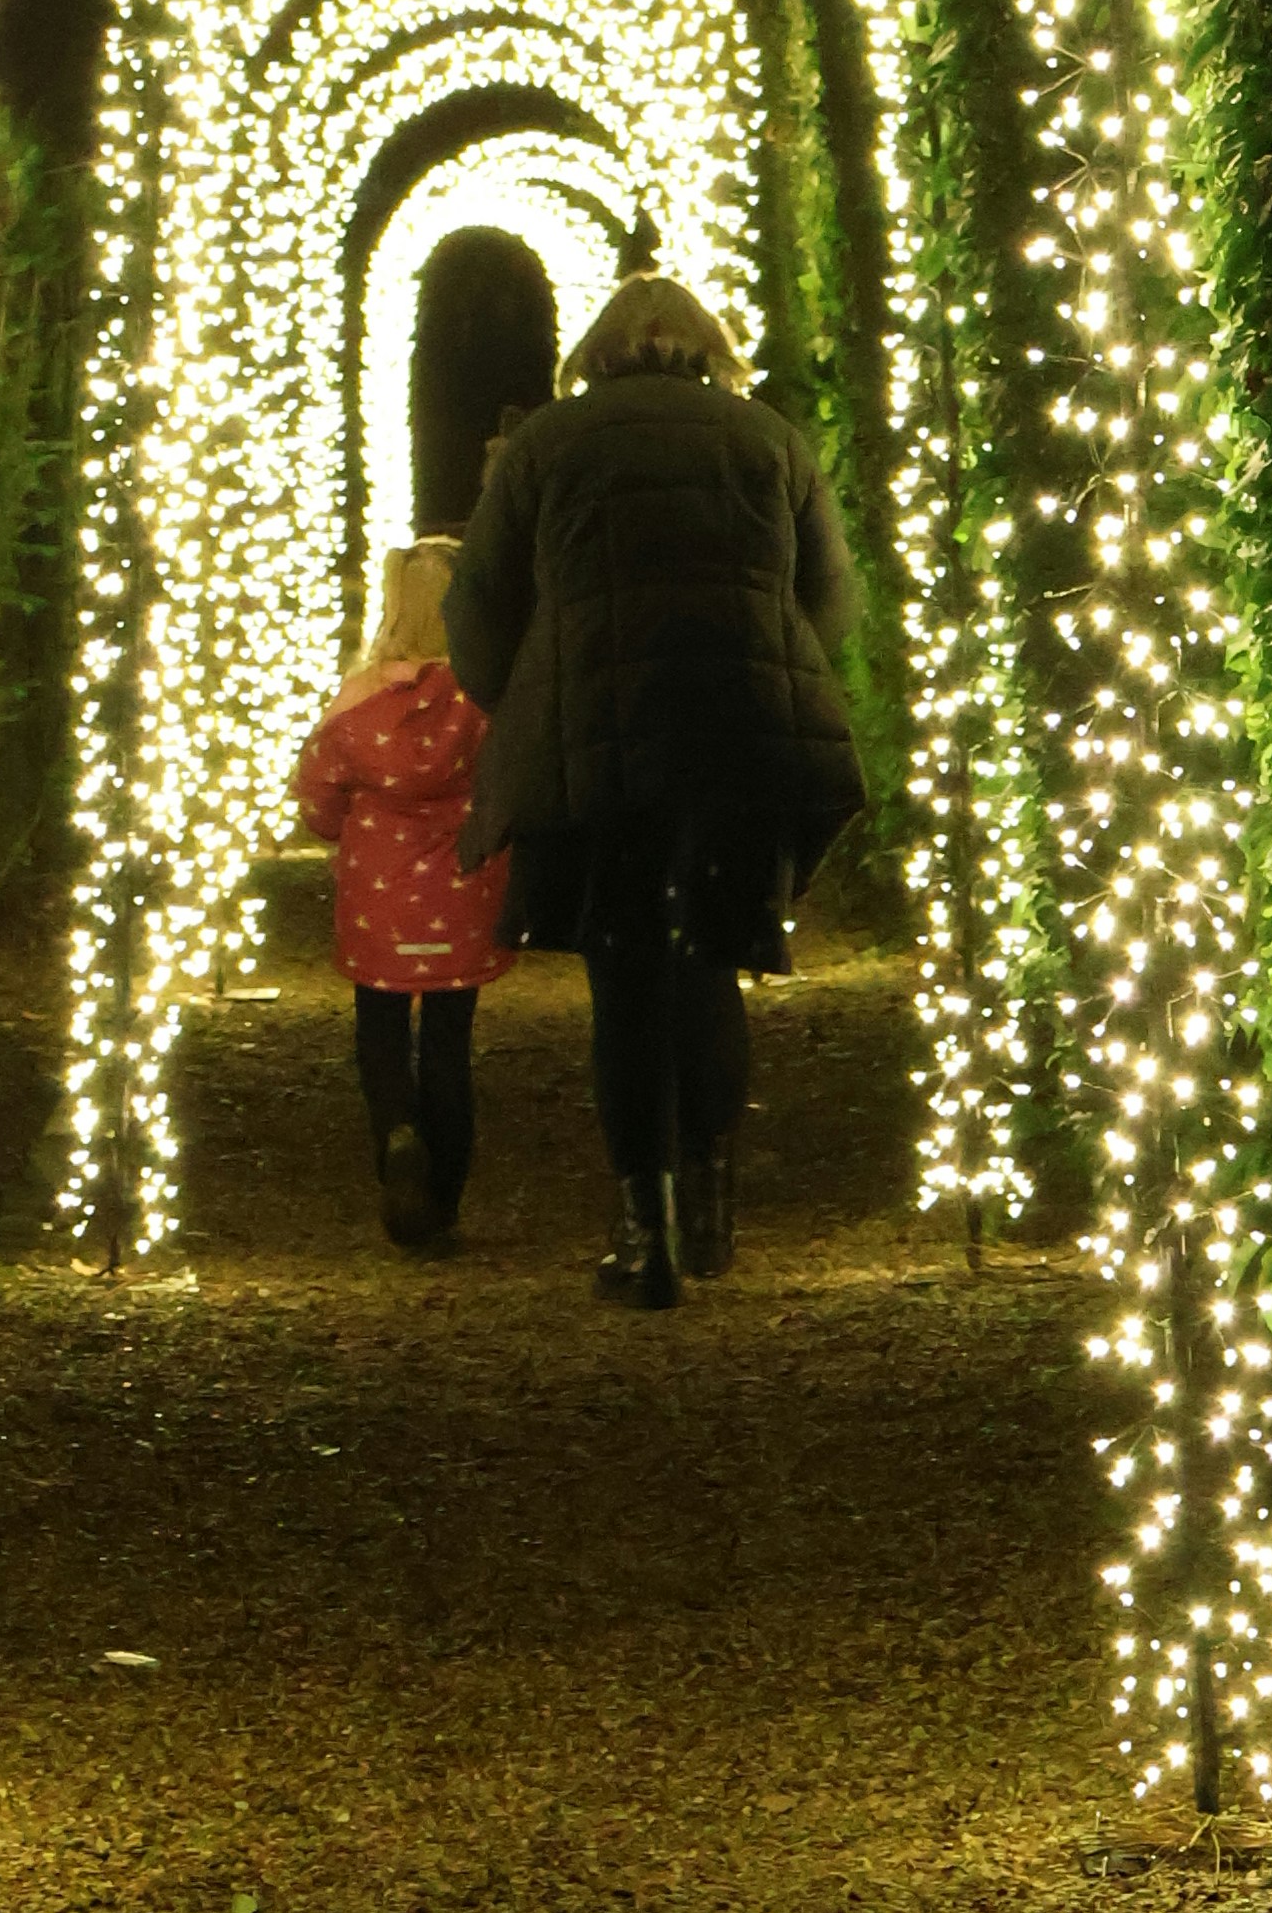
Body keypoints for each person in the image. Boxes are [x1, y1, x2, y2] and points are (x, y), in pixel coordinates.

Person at [442, 272, 862, 1309]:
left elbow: (479, 603)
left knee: (625, 983)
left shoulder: (546, 445)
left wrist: (534, 697)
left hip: (602, 752)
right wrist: (782, 669)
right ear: (705, 347)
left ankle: (647, 1225)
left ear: (596, 352)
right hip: (738, 739)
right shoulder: (766, 438)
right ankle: (714, 1195)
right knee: (712, 962)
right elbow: (831, 598)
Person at [285, 537, 514, 1250]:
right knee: (450, 1041)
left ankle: (396, 1130)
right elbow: (512, 781)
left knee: (379, 1030)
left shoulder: (358, 704)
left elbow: (318, 798)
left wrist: (341, 826)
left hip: (376, 892)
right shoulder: (485, 698)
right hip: (461, 885)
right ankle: (442, 1198)